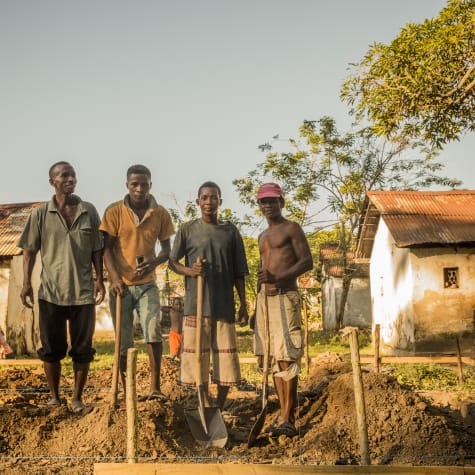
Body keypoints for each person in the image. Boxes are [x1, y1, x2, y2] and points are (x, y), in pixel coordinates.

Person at [19, 161, 105, 413]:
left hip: (83, 294)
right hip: (50, 294)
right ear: (52, 182)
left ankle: (77, 399)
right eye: (64, 175)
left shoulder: (89, 211)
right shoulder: (40, 214)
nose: (70, 179)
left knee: (82, 349)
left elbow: (97, 249)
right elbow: (29, 251)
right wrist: (26, 283)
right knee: (51, 350)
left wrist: (99, 278)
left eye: (73, 175)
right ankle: (55, 398)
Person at [169, 181, 249, 411]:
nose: (209, 202)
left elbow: (239, 272)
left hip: (223, 305)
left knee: (225, 357)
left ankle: (220, 404)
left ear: (220, 202)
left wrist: (243, 303)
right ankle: (203, 400)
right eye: (204, 198)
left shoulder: (230, 231)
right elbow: (173, 262)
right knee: (198, 357)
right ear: (198, 202)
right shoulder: (187, 229)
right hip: (197, 304)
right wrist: (190, 271)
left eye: (213, 198)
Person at [100, 164, 174, 401]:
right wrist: (114, 279)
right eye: (135, 184)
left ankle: (155, 387)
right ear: (127, 185)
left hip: (147, 284)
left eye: (144, 184)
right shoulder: (114, 211)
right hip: (120, 286)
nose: (139, 188)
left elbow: (166, 250)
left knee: (153, 331)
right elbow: (106, 250)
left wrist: (153, 263)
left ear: (150, 185)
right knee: (123, 340)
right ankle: (124, 388)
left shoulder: (160, 213)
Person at [252, 182, 313, 437]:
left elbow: (307, 261)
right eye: (263, 202)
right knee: (272, 357)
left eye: (272, 201)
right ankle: (281, 411)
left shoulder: (291, 228)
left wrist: (279, 277)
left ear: (281, 203)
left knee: (287, 355)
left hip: (285, 296)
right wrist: (256, 307)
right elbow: (265, 273)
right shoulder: (262, 236)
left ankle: (288, 416)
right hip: (265, 301)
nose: (268, 206)